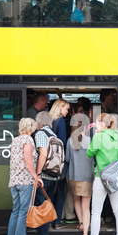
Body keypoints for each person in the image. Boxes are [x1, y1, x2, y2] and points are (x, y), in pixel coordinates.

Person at [83, 113, 118, 235]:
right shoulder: (117, 138)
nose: (95, 125)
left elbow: (89, 153)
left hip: (100, 178)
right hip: (115, 177)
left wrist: (96, 135)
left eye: (96, 123)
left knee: (96, 211)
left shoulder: (99, 137)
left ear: (102, 124)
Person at [6, 117, 42, 235]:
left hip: (14, 181)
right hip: (25, 181)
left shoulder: (15, 140)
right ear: (30, 127)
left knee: (16, 211)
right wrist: (36, 177)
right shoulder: (28, 140)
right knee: (23, 212)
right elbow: (28, 160)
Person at [65, 105, 94, 235]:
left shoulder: (70, 141)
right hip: (87, 177)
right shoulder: (90, 141)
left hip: (73, 176)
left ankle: (81, 223)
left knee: (76, 200)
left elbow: (67, 159)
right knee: (86, 206)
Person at [34, 111, 56, 235]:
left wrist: (37, 174)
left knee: (41, 209)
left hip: (44, 177)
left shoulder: (41, 134)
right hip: (53, 176)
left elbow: (43, 154)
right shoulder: (53, 135)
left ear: (39, 123)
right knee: (46, 207)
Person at [48, 98, 70, 228]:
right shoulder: (61, 121)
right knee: (60, 190)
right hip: (59, 162)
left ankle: (48, 220)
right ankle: (56, 221)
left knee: (50, 191)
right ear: (60, 107)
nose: (67, 111)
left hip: (49, 161)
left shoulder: (50, 120)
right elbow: (62, 142)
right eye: (66, 108)